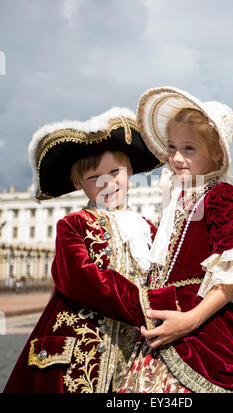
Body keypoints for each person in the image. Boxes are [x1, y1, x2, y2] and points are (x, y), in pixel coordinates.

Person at [116, 87, 233, 393]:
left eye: (189, 148)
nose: (176, 157)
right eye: (172, 147)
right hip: (166, 323)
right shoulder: (178, 197)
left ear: (216, 153)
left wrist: (190, 320)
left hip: (201, 324)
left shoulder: (221, 196)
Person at [3, 107, 179, 393]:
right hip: (81, 350)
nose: (107, 182)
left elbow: (167, 269)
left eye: (114, 172)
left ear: (130, 171)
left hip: (136, 347)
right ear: (77, 184)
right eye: (94, 177)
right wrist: (152, 305)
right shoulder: (73, 224)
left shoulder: (147, 227)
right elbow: (81, 279)